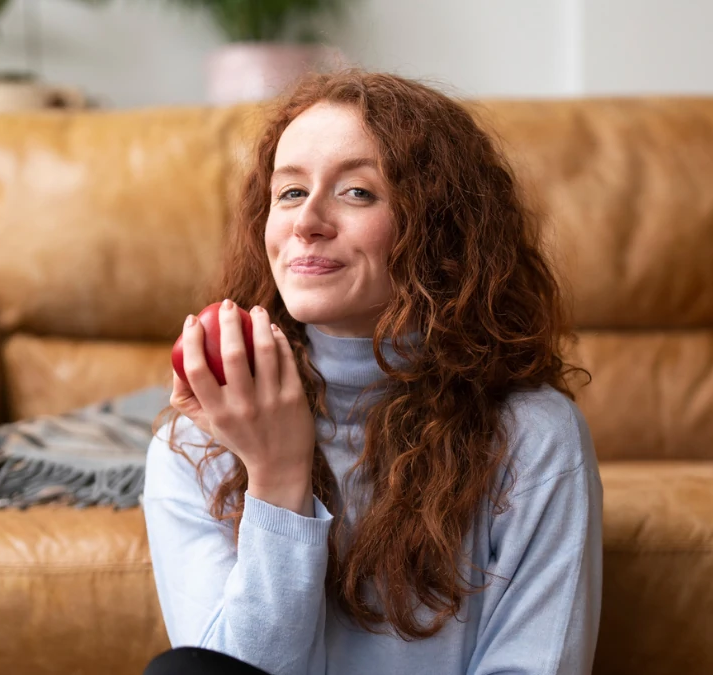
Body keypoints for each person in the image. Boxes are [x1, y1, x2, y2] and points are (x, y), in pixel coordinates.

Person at [143, 70, 602, 675]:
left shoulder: (532, 435)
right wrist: (277, 477)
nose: (307, 221)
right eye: (290, 192)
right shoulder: (195, 444)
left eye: (357, 192)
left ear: (439, 229)